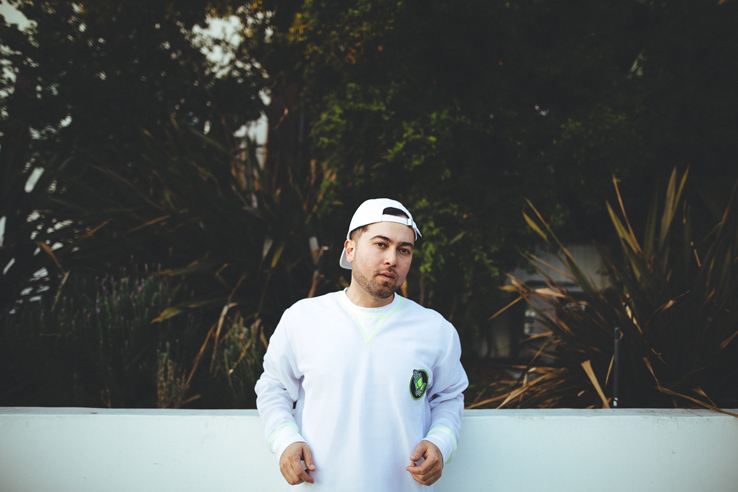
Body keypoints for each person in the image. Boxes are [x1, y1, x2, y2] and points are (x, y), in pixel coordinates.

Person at [255, 198, 468, 491]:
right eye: (381, 244)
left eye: (404, 250)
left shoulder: (435, 329)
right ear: (350, 249)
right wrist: (285, 440)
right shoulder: (302, 318)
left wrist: (440, 442)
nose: (392, 259)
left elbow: (448, 397)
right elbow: (274, 387)